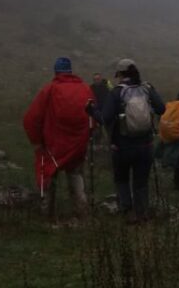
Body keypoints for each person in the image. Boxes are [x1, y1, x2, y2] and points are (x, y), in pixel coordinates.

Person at [22, 57, 95, 219]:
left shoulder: (49, 90)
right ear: (70, 71)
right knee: (76, 178)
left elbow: (31, 118)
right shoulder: (85, 89)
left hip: (53, 147)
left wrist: (37, 141)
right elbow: (93, 117)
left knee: (47, 177)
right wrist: (86, 137)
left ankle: (46, 217)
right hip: (77, 147)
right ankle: (83, 216)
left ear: (56, 72)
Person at [101, 58, 166, 222]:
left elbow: (105, 117)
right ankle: (142, 214)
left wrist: (92, 111)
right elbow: (162, 108)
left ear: (120, 74)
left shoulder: (116, 92)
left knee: (122, 179)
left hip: (121, 147)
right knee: (141, 182)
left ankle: (127, 212)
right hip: (145, 145)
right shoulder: (147, 88)